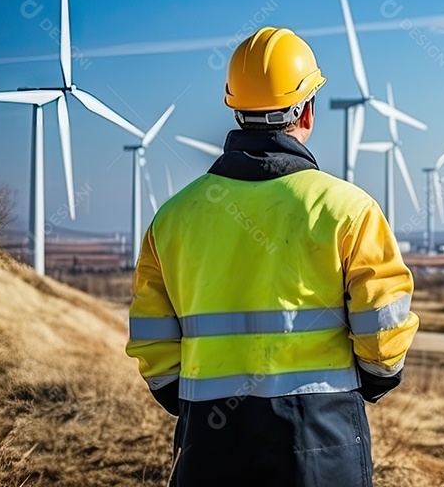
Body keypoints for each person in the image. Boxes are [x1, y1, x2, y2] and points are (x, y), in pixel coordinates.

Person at [127, 26, 418, 486]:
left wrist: (192, 400)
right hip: (319, 435)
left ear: (236, 108)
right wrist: (372, 381)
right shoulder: (349, 209)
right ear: (306, 110)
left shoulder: (173, 218)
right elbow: (384, 330)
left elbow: (151, 337)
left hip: (209, 439)